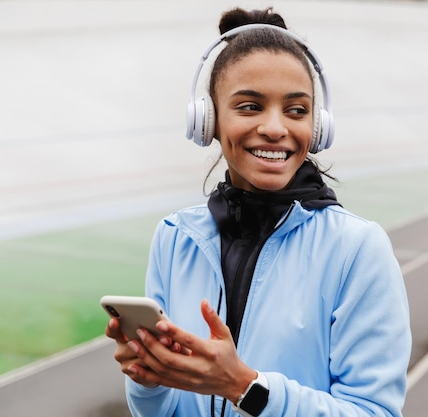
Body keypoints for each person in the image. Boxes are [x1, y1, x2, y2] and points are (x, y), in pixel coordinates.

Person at [106, 7, 411, 417]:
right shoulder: (174, 237)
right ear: (208, 119)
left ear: (317, 127)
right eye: (250, 106)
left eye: (296, 110)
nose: (274, 127)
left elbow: (374, 413)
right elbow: (162, 412)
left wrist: (244, 386)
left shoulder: (358, 249)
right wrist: (149, 382)